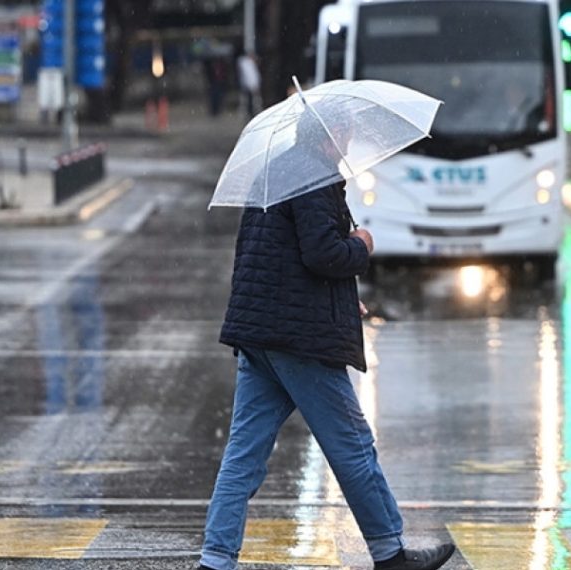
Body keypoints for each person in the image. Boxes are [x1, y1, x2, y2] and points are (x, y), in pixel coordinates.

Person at [198, 107, 457, 570]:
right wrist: (361, 245)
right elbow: (322, 254)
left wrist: (339, 299)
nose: (351, 139)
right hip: (301, 341)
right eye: (348, 131)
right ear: (331, 132)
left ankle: (215, 560)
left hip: (261, 333)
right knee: (352, 445)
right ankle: (390, 553)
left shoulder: (274, 171)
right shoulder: (314, 177)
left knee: (243, 456)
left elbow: (272, 258)